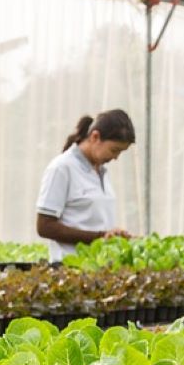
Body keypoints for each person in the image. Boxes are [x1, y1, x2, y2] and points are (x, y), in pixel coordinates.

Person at [35, 109, 136, 263]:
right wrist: (99, 237)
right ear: (95, 137)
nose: (115, 158)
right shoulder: (62, 168)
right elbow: (44, 226)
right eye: (114, 150)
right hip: (68, 269)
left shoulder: (101, 171)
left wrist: (113, 236)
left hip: (96, 266)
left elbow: (90, 220)